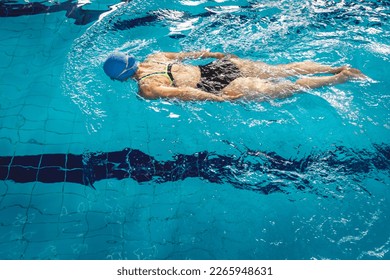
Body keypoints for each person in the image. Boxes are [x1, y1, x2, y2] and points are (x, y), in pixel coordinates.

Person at [103, 51, 365, 102]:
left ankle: (338, 78)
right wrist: (217, 54)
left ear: (120, 79)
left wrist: (220, 99)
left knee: (290, 88)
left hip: (214, 85)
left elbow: (185, 93)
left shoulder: (147, 88)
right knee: (283, 69)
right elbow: (191, 53)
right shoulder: (155, 56)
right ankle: (333, 67)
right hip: (223, 67)